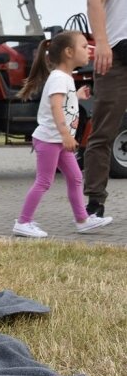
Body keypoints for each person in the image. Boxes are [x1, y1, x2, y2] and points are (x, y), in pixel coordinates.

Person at [12, 32, 113, 238]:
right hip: (51, 140)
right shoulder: (59, 77)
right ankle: (23, 222)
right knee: (44, 182)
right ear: (69, 52)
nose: (89, 51)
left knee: (76, 178)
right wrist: (66, 135)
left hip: (57, 140)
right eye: (85, 47)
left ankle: (82, 220)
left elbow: (63, 102)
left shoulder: (63, 78)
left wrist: (76, 96)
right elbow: (56, 107)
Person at [82, 0, 127, 218]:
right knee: (103, 132)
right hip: (115, 55)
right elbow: (95, 1)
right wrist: (101, 42)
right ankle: (95, 203)